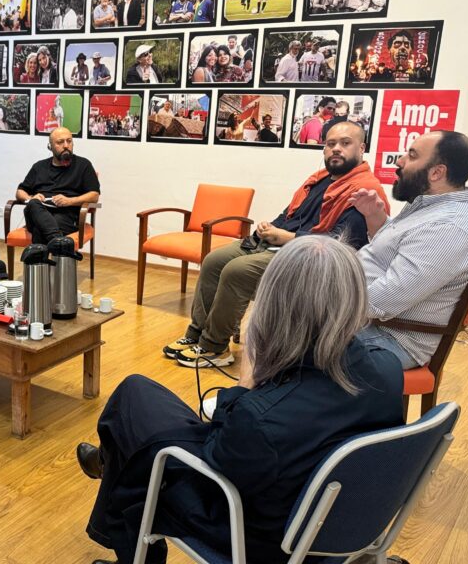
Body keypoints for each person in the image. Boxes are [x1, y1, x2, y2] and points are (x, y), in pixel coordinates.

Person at [80, 235, 405, 564]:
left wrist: (247, 378)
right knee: (137, 393)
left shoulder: (261, 418)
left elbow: (219, 459)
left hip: (258, 537)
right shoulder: (388, 368)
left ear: (273, 302)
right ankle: (112, 459)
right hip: (328, 514)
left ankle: (113, 466)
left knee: (138, 444)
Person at [163, 122, 389, 368]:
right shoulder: (317, 180)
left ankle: (214, 347)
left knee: (237, 271)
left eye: (345, 143)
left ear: (361, 148)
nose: (336, 149)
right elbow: (290, 215)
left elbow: (344, 246)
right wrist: (269, 228)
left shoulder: (365, 190)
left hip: (311, 260)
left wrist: (287, 238)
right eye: (330, 144)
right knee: (213, 261)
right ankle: (196, 333)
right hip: (281, 244)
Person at [348, 131, 468, 370]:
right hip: (370, 322)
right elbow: (395, 255)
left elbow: (381, 301)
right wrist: (375, 217)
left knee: (285, 337)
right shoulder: (431, 208)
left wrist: (324, 300)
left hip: (391, 339)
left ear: (437, 172)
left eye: (412, 155)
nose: (400, 161)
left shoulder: (448, 228)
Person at [16, 127, 100, 245]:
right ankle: (58, 242)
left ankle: (52, 249)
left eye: (69, 141)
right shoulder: (39, 167)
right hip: (37, 212)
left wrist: (70, 201)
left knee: (40, 229)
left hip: (66, 215)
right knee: (34, 203)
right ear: (50, 146)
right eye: (60, 142)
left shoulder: (83, 165)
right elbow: (20, 191)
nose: (66, 145)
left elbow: (94, 195)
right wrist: (30, 198)